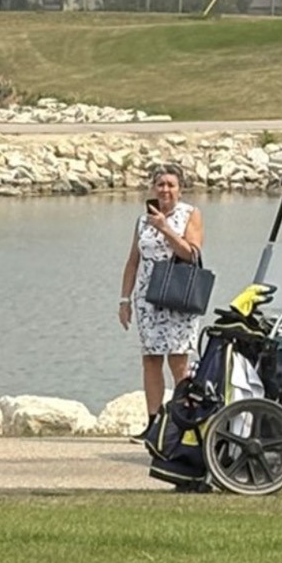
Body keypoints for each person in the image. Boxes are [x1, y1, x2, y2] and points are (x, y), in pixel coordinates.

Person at [118, 163, 206, 425]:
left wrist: (165, 228)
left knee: (178, 361)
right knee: (150, 360)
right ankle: (154, 423)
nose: (165, 190)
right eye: (160, 184)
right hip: (148, 299)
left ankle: (183, 422)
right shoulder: (143, 220)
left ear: (180, 189)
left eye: (170, 185)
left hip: (177, 296)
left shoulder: (190, 214)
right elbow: (133, 261)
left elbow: (191, 254)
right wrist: (124, 300)